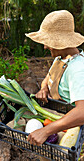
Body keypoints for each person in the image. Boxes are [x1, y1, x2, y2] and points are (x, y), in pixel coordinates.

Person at [25, 10, 84, 148]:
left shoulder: (77, 70)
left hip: (70, 124)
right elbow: (49, 76)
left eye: (48, 42)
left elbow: (82, 111)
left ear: (61, 42)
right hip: (57, 116)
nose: (45, 46)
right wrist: (44, 88)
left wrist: (46, 131)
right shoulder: (61, 58)